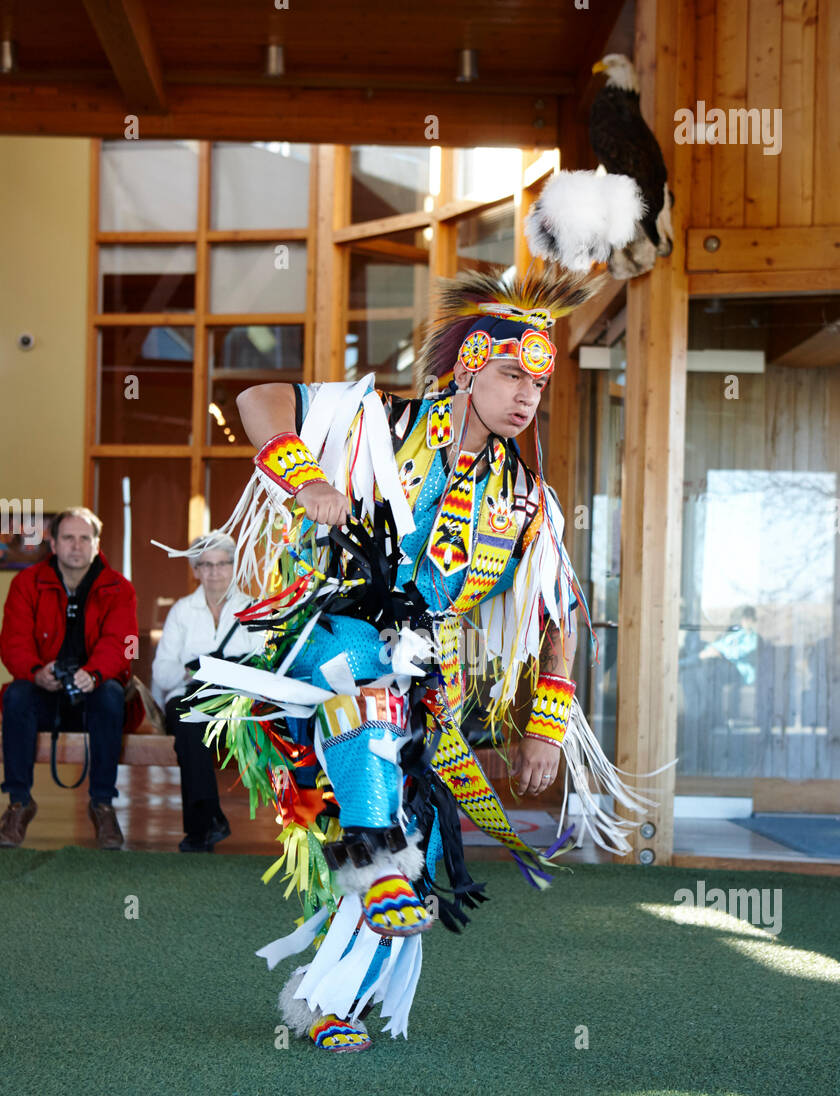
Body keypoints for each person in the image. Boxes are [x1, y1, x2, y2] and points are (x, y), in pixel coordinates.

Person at [154, 219, 654, 1053]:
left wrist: (547, 722)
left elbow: (559, 614)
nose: (528, 395)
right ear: (467, 370)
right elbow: (257, 401)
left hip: (422, 685)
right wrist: (307, 477)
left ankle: (326, 1004)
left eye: (540, 381)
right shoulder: (371, 422)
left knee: (409, 857)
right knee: (367, 686)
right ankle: (376, 863)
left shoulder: (526, 500)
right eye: (509, 373)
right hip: (312, 646)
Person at [0, 507, 138, 849]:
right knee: (16, 695)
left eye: (84, 539)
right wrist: (35, 672)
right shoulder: (26, 583)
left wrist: (94, 673)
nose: (76, 546)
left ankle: (103, 804)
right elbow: (13, 639)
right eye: (68, 538)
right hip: (44, 691)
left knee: (110, 694)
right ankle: (19, 802)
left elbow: (124, 644)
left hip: (93, 693)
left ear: (96, 544)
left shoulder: (120, 588)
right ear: (53, 542)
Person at [151, 533, 263, 851]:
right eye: (206, 565)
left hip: (236, 701)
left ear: (234, 566)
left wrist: (229, 670)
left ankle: (204, 825)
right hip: (188, 695)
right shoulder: (181, 611)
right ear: (196, 570)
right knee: (187, 720)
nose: (214, 572)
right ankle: (205, 822)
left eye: (222, 564)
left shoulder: (253, 610)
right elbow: (161, 673)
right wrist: (194, 669)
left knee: (192, 725)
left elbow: (266, 668)